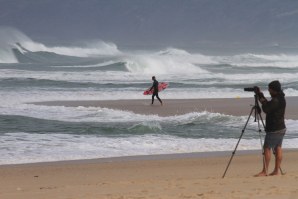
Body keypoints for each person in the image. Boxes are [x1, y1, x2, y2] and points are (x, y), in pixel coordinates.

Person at [255, 80, 286, 176]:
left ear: (274, 90)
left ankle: (265, 171)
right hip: (281, 127)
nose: (269, 90)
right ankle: (276, 171)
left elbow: (266, 109)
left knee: (267, 148)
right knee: (278, 147)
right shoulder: (281, 98)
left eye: (270, 89)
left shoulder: (276, 100)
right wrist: (260, 95)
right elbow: (268, 105)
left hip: (274, 129)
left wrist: (260, 96)